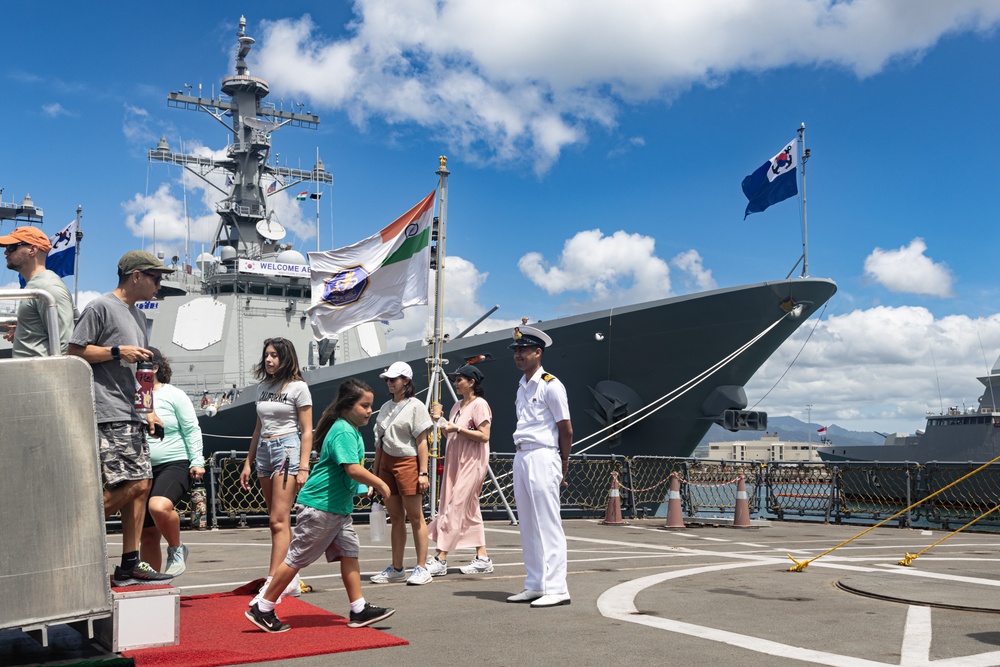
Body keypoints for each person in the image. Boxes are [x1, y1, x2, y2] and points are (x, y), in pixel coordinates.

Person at [245, 378, 396, 633]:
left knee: (349, 552)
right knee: (297, 558)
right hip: (321, 508)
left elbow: (345, 471)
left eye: (371, 406)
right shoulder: (344, 431)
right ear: (348, 406)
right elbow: (352, 468)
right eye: (365, 405)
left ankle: (358, 609)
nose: (370, 411)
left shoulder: (349, 430)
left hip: (337, 509)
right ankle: (264, 607)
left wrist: (361, 486)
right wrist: (380, 483)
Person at [68, 250, 175, 586]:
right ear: (137, 276)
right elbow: (72, 352)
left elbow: (142, 373)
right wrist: (117, 351)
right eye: (156, 278)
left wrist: (150, 411)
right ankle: (72, 535)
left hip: (132, 414)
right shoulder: (100, 307)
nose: (160, 284)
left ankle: (130, 563)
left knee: (140, 490)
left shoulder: (138, 317)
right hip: (108, 411)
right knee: (136, 484)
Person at [240, 337, 313, 604]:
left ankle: (274, 582)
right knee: (277, 522)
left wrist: (303, 467)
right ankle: (288, 579)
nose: (269, 360)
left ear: (286, 358)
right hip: (264, 452)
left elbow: (307, 431)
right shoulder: (263, 387)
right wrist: (248, 462)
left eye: (274, 356)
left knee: (278, 520)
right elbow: (258, 428)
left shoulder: (298, 388)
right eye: (267, 355)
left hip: (287, 450)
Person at [506, 325, 573, 608]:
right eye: (516, 351)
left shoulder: (551, 385)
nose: (518, 355)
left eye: (523, 350)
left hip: (544, 455)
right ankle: (536, 583)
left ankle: (558, 587)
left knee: (547, 522)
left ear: (538, 352)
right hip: (522, 455)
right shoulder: (522, 387)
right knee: (528, 523)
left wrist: (564, 460)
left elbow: (565, 428)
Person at [139, 347, 206, 578]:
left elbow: (191, 429)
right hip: (141, 469)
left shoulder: (174, 395)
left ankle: (177, 548)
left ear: (154, 368)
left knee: (158, 506)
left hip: (173, 463)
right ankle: (151, 583)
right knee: (147, 534)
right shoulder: (133, 396)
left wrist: (197, 461)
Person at [369, 361, 434, 586]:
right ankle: (397, 568)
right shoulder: (385, 407)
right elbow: (378, 445)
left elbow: (422, 442)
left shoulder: (416, 406)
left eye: (393, 379)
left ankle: (422, 567)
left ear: (406, 381)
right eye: (387, 379)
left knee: (416, 517)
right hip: (387, 462)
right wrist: (375, 476)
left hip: (408, 461)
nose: (389, 383)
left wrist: (423, 473)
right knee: (396, 518)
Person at [426, 364, 494, 576]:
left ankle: (441, 557)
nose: (456, 383)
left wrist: (459, 429)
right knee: (469, 508)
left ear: (471, 382)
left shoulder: (480, 405)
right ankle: (483, 557)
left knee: (454, 505)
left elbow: (484, 435)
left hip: (472, 461)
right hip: (456, 460)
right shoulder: (456, 406)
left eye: (459, 380)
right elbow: (451, 435)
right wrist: (440, 422)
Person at [0, 225, 75, 356]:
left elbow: (65, 346)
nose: (6, 252)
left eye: (12, 247)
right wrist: (24, 330)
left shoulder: (48, 287)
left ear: (33, 250)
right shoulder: (36, 286)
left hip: (40, 375)